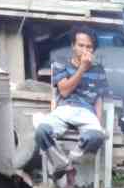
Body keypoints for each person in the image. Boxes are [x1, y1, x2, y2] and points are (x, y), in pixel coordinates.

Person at [31, 28, 108, 178]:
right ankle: (63, 164)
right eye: (81, 45)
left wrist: (98, 123)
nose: (84, 50)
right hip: (64, 109)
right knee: (41, 132)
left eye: (89, 47)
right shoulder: (61, 64)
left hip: (87, 111)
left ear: (93, 50)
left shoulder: (99, 70)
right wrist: (82, 69)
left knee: (97, 137)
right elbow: (64, 91)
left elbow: (99, 98)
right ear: (73, 46)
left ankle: (68, 164)